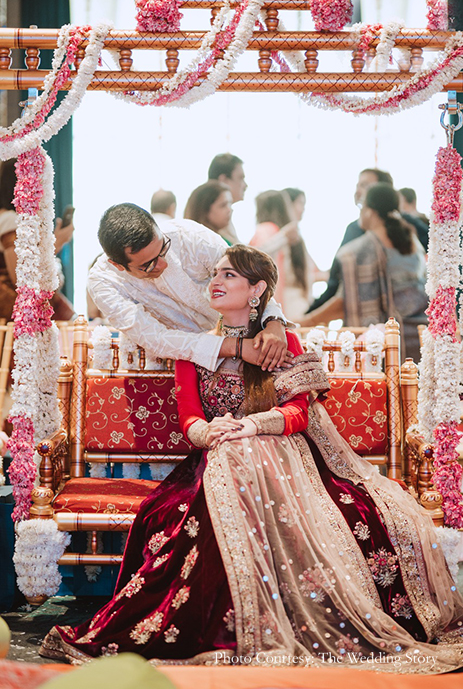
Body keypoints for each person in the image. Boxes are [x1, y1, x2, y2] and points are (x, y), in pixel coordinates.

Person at [41, 244, 463, 672]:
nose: (215, 282)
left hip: (287, 456)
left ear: (257, 289)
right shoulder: (199, 347)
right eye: (215, 275)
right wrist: (211, 431)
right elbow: (189, 414)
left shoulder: (284, 341)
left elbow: (300, 411)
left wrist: (253, 426)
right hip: (219, 455)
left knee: (354, 510)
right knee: (179, 514)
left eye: (228, 276)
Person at [87, 203, 289, 372]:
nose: (162, 264)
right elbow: (155, 338)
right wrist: (235, 347)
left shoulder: (189, 237)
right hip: (183, 364)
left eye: (163, 249)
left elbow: (246, 278)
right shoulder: (103, 282)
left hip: (253, 341)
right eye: (148, 265)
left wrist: (274, 322)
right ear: (118, 265)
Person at [300, 184, 428, 361]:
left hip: (385, 346)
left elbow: (346, 301)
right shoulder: (412, 241)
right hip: (420, 337)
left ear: (370, 211)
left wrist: (307, 321)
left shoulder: (358, 251)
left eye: (362, 206)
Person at [0, 158, 75, 321]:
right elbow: (22, 279)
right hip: (15, 321)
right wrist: (56, 244)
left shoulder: (20, 221)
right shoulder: (9, 220)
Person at [250, 190, 321, 319]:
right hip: (300, 302)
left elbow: (252, 257)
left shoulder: (268, 230)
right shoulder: (288, 234)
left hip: (282, 301)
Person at [208, 153, 247, 245]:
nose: (245, 185)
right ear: (224, 180)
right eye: (240, 178)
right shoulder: (216, 224)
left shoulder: (225, 218)